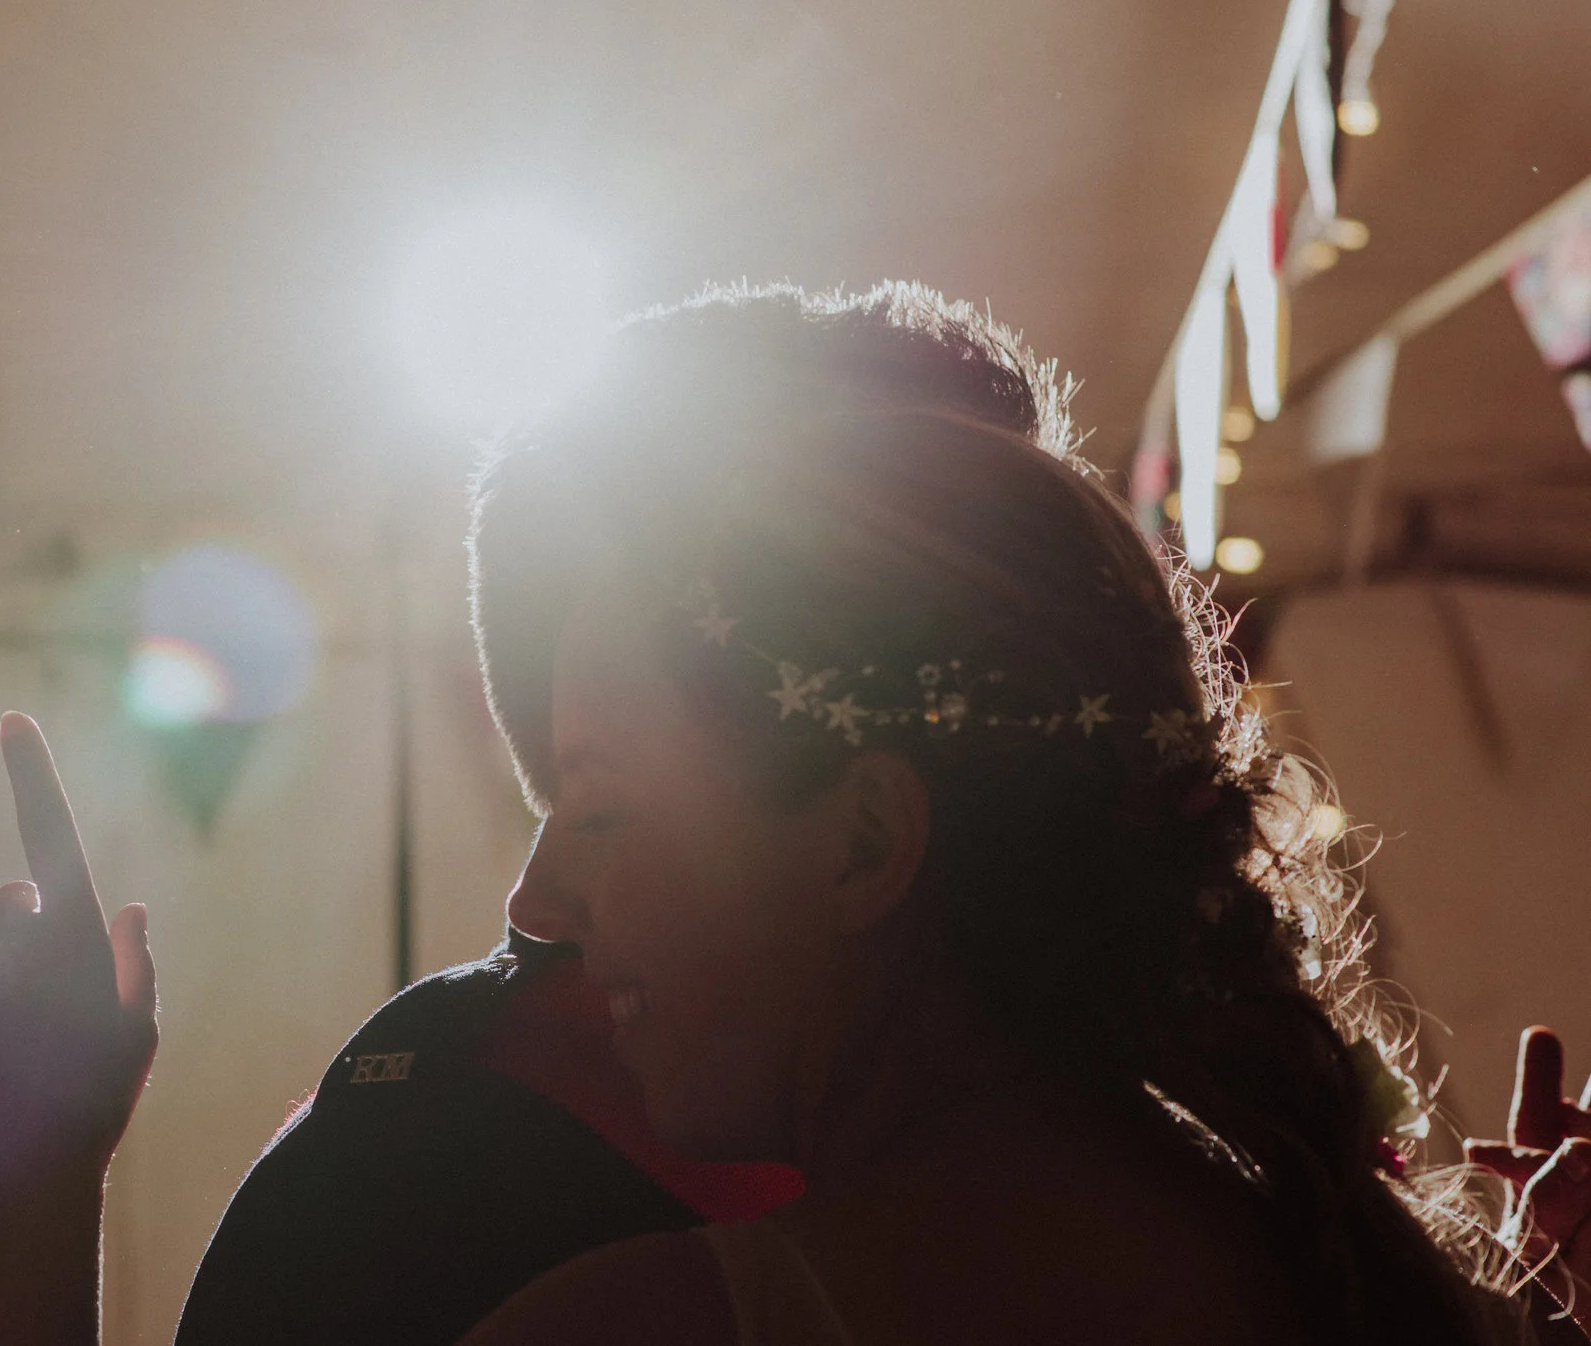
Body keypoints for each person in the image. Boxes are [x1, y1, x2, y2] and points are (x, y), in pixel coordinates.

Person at [0, 289, 1591, 1345]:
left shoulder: (632, 1314)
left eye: (614, 805)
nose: (550, 886)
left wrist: (22, 1213)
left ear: (867, 834)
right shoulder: (1362, 1273)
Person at [175, 284, 1058, 1346]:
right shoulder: (415, 1141)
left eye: (604, 812)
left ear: (872, 833)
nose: (535, 904)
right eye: (570, 800)